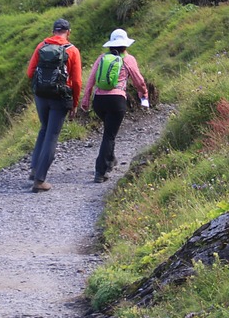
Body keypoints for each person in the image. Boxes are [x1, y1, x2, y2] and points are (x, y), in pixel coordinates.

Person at [80, 28, 149, 183]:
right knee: (109, 135)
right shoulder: (128, 59)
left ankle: (110, 159)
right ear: (125, 45)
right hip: (116, 100)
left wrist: (85, 99)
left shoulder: (102, 58)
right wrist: (143, 94)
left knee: (109, 131)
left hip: (98, 101)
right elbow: (139, 81)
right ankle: (100, 171)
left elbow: (91, 79)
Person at [26, 18, 82, 193]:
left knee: (44, 129)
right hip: (60, 98)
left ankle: (34, 169)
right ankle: (39, 181)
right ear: (68, 32)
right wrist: (74, 103)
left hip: (41, 96)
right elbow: (77, 81)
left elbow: (30, 73)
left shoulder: (41, 46)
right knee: (52, 135)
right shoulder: (72, 51)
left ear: (53, 31)